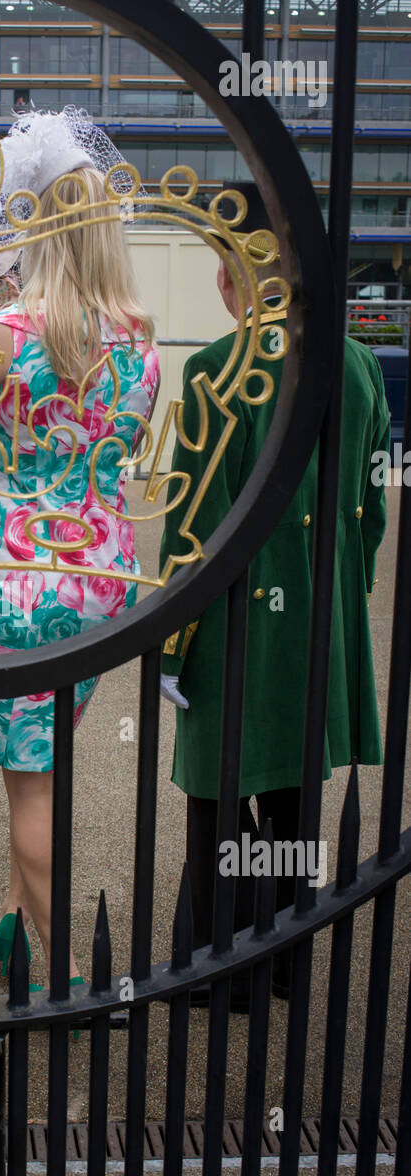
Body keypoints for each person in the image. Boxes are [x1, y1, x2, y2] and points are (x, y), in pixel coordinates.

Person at [159, 180, 390, 1009]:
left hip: (231, 628)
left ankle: (224, 972)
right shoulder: (357, 362)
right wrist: (341, 602)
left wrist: (172, 642)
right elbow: (373, 510)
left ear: (237, 271)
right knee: (297, 811)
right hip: (321, 625)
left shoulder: (217, 369)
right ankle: (287, 962)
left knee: (218, 804)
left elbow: (195, 524)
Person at [0, 108, 160, 987]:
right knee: (45, 756)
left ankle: (67, 975)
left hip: (17, 578)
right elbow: (122, 462)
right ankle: (10, 925)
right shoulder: (143, 338)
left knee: (27, 780)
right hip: (108, 578)